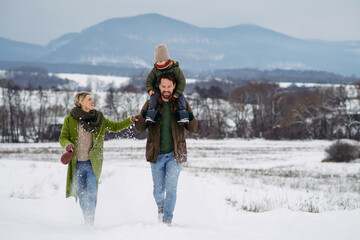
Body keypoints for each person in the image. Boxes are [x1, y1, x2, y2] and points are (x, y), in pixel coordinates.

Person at [59, 92, 138, 225]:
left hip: (92, 164)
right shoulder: (70, 119)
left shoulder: (99, 118)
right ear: (81, 103)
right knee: (82, 194)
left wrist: (130, 120)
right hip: (77, 164)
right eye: (89, 99)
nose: (92, 101)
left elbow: (115, 127)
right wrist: (68, 145)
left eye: (92, 99)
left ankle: (90, 220)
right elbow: (63, 137)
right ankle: (87, 219)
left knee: (92, 193)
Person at [135, 73, 198, 226]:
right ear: (159, 86)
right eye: (163, 86)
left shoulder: (181, 104)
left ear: (174, 86)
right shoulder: (151, 103)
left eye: (169, 86)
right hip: (156, 154)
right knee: (158, 190)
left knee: (171, 188)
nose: (166, 89)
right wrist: (144, 115)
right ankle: (161, 206)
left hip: (176, 154)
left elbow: (193, 128)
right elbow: (139, 127)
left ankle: (167, 218)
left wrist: (188, 116)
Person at [145, 43, 190, 125]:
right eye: (157, 61)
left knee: (181, 98)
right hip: (158, 90)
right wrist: (150, 89)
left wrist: (177, 93)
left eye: (161, 61)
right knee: (153, 97)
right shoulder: (155, 70)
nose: (159, 63)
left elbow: (181, 81)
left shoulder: (174, 69)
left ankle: (182, 113)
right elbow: (149, 80)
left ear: (166, 59)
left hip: (174, 90)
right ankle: (151, 112)